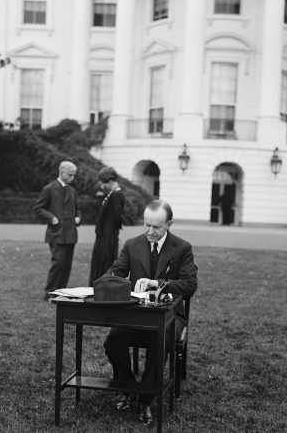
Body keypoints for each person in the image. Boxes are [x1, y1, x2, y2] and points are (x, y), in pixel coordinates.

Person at [102, 200, 198, 425]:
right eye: (147, 225)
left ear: (169, 224)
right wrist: (115, 281)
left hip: (170, 316)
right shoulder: (132, 244)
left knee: (159, 341)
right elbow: (114, 273)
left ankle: (145, 398)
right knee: (113, 341)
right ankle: (128, 388)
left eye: (157, 227)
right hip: (137, 314)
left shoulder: (182, 248)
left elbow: (189, 285)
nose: (150, 232)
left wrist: (156, 284)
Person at [34, 161, 81, 301]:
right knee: (58, 263)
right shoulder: (49, 189)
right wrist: (52, 218)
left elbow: (77, 209)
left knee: (66, 265)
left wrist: (78, 217)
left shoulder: (72, 191)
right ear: (61, 172)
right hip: (56, 234)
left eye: (74, 175)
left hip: (71, 234)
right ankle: (49, 293)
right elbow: (38, 208)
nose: (72, 178)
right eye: (70, 175)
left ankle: (61, 292)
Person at [89, 167, 125, 287]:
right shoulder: (113, 193)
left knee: (104, 263)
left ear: (109, 181)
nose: (103, 186)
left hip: (107, 238)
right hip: (106, 236)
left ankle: (101, 289)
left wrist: (112, 230)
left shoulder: (116, 194)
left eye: (104, 183)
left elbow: (118, 216)